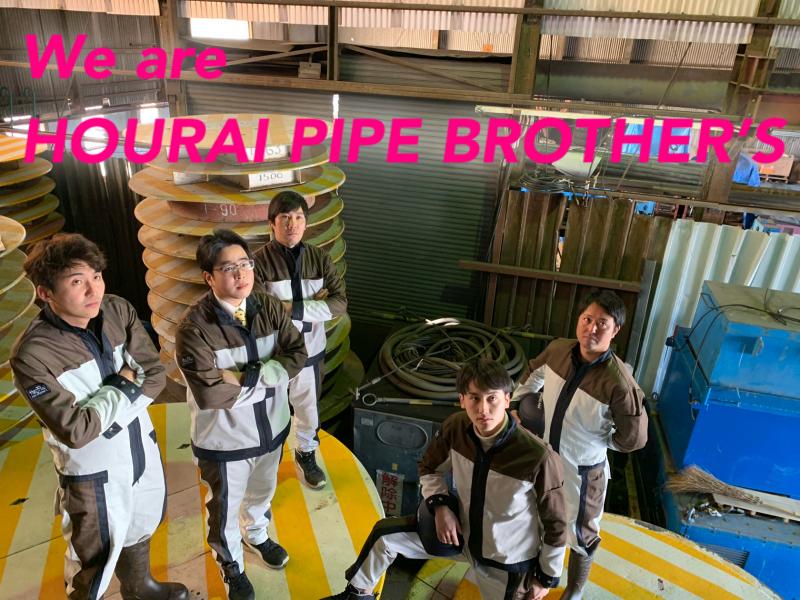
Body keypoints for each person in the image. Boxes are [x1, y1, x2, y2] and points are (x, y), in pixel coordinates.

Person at [10, 233, 188, 600]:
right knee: (93, 553)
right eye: (77, 281)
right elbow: (75, 431)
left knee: (142, 519)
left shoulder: (117, 310)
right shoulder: (33, 354)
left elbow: (154, 375)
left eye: (96, 275)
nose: (94, 290)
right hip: (91, 472)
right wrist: (124, 383)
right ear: (45, 292)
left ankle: (139, 587)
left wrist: (102, 409)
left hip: (139, 447)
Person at [324, 357, 567, 600]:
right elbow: (429, 467)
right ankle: (357, 595)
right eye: (474, 398)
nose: (483, 409)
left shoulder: (537, 457)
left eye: (492, 398)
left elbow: (556, 524)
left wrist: (545, 577)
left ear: (506, 399)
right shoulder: (457, 428)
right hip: (461, 536)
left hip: (506, 563)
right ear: (462, 400)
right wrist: (440, 507)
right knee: (384, 538)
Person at [175, 229, 307, 600]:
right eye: (228, 268)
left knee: (263, 492)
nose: (241, 274)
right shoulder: (194, 328)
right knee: (223, 509)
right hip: (226, 442)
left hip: (272, 429)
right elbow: (211, 394)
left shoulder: (267, 305)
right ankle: (231, 565)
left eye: (245, 264)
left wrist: (247, 377)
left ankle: (257, 535)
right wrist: (272, 377)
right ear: (209, 277)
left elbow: (297, 354)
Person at [512, 290, 648, 600]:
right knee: (536, 514)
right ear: (578, 320)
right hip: (544, 458)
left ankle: (574, 590)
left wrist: (600, 441)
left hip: (584, 472)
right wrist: (517, 405)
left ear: (615, 331)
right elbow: (532, 373)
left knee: (581, 533)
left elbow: (634, 438)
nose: (592, 328)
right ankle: (536, 576)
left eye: (602, 323)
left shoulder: (619, 383)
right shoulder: (558, 350)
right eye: (587, 319)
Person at [253, 190, 347, 489]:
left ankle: (306, 453)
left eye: (298, 217)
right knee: (271, 408)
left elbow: (339, 304)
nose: (292, 224)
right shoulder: (258, 262)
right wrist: (314, 305)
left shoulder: (320, 258)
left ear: (306, 222)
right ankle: (267, 459)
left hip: (311, 351)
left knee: (307, 407)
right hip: (275, 353)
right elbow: (259, 310)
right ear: (272, 223)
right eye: (284, 217)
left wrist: (291, 308)